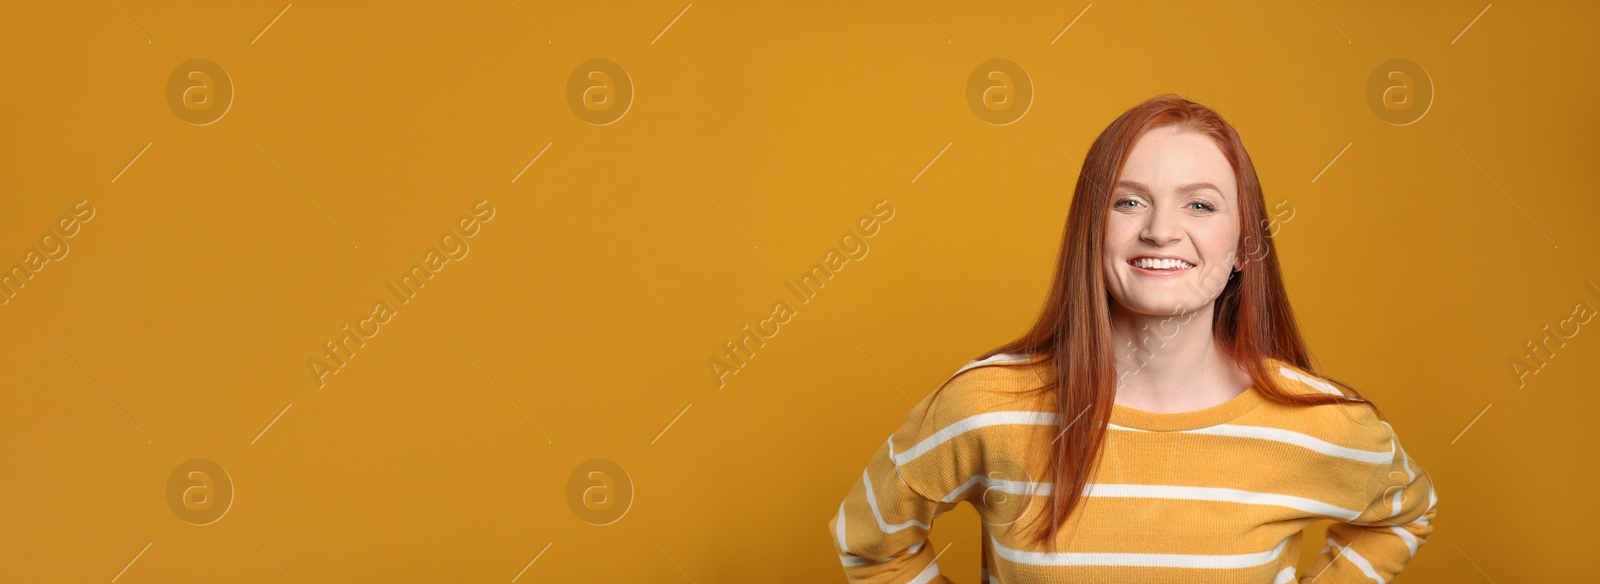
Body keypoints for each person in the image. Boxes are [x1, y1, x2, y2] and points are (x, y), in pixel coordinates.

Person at [827, 94, 1437, 583]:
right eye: (1128, 201)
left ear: (1243, 242)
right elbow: (872, 542)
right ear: (1091, 230)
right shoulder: (986, 406)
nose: (1161, 231)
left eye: (1200, 205)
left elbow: (1403, 516)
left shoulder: (1320, 424)